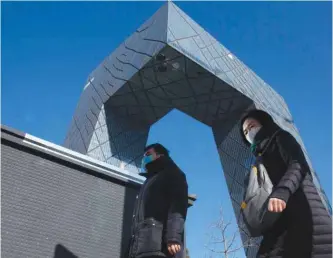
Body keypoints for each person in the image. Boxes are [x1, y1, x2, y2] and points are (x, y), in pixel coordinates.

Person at [240, 109, 332, 258]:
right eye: (245, 132)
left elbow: (298, 165)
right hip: (279, 217)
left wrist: (282, 191)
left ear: (263, 123)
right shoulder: (260, 157)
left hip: (301, 210)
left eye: (251, 126)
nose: (249, 132)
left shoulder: (280, 138)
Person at [127, 143, 188, 258]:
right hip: (142, 247)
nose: (145, 158)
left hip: (158, 248)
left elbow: (178, 204)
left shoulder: (172, 173)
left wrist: (173, 237)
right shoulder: (149, 180)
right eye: (144, 155)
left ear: (159, 155)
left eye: (149, 154)